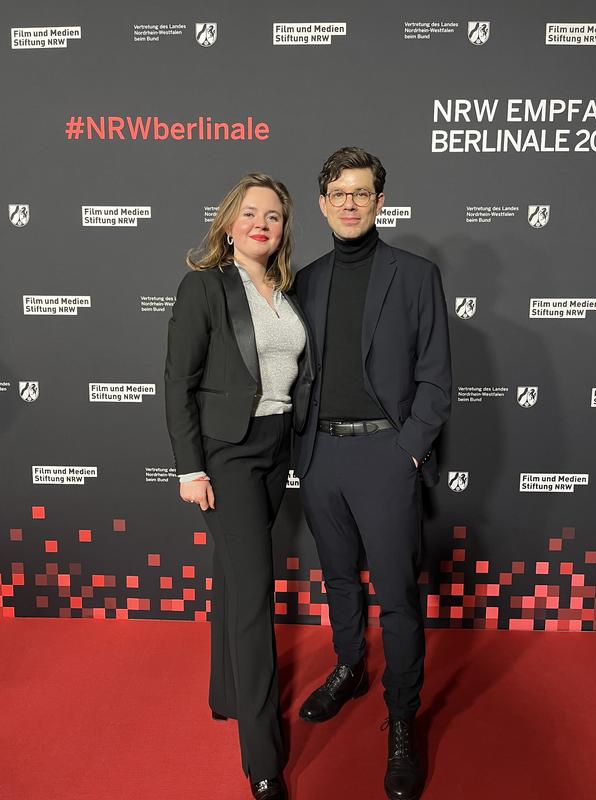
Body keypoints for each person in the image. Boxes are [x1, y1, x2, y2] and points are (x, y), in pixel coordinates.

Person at [293, 147, 451, 800]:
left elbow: (436, 378)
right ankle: (351, 667)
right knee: (337, 579)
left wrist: (409, 449)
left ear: (380, 202)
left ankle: (402, 716)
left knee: (396, 594)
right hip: (320, 456)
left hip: (386, 457)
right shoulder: (305, 279)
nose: (350, 203)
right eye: (339, 193)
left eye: (362, 192)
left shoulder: (415, 275)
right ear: (324, 203)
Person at [164, 173, 313, 800]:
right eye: (250, 213)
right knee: (255, 595)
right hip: (227, 455)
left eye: (273, 216)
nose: (262, 223)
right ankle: (262, 758)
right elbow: (178, 381)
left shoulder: (285, 291)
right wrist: (190, 468)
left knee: (233, 576)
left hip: (277, 448)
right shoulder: (203, 286)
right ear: (229, 223)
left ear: (282, 229)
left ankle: (225, 695)